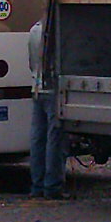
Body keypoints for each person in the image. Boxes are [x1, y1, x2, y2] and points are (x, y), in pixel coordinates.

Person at [27, 19, 69, 200]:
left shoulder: (34, 30)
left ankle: (37, 184)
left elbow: (31, 62)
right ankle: (52, 185)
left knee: (38, 138)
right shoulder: (57, 32)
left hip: (37, 87)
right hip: (53, 89)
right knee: (55, 138)